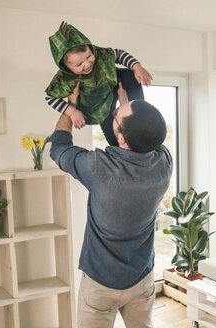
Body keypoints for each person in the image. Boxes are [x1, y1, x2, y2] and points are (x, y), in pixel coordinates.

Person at [49, 82, 172, 328]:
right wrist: (123, 101)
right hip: (142, 277)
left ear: (122, 138)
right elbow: (142, 137)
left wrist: (70, 108)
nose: (115, 113)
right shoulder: (164, 162)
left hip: (101, 285)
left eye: (116, 115)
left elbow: (59, 148)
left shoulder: (99, 168)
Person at [45, 21, 153, 146]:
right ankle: (118, 147)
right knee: (115, 140)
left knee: (130, 74)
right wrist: (72, 112)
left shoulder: (100, 54)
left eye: (88, 56)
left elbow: (120, 54)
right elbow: (50, 97)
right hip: (99, 106)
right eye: (79, 64)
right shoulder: (65, 79)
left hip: (113, 83)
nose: (87, 64)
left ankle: (139, 111)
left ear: (91, 49)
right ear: (67, 68)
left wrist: (137, 66)